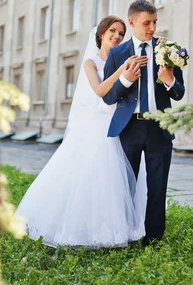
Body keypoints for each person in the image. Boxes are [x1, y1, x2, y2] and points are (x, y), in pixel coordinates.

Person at [15, 15, 149, 248]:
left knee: (113, 182)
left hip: (118, 124)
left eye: (120, 33)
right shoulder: (90, 62)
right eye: (112, 31)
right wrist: (121, 71)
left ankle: (113, 228)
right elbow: (99, 90)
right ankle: (74, 227)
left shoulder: (123, 58)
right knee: (90, 176)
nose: (117, 36)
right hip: (95, 126)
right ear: (101, 34)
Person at [103, 0, 185, 246]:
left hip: (159, 128)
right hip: (129, 128)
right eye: (146, 23)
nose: (152, 28)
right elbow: (108, 97)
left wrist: (170, 79)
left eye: (154, 22)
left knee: (158, 187)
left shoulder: (167, 50)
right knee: (126, 187)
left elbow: (179, 93)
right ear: (132, 22)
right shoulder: (117, 54)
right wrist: (126, 79)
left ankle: (154, 238)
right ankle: (125, 234)